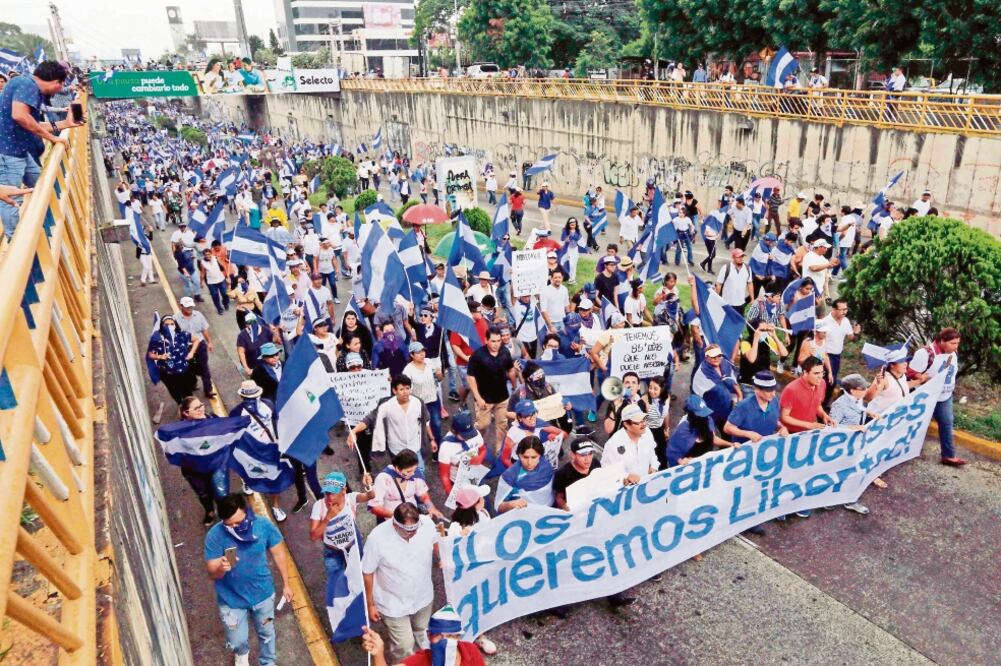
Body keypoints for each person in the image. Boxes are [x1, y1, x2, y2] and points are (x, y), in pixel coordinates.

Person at [204, 493, 293, 666]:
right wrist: (221, 568)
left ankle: (268, 662)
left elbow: (278, 553)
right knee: (236, 640)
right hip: (231, 601)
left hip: (263, 596)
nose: (235, 527)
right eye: (230, 525)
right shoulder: (215, 536)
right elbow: (212, 573)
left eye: (238, 522)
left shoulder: (264, 526)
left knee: (267, 633)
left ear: (246, 511)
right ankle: (241, 653)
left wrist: (287, 584)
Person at [1, 61, 81, 238]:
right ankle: (17, 243)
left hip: (20, 152)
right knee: (12, 199)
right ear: (57, 83)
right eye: (61, 86)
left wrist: (64, 124)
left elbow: (33, 123)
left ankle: (48, 233)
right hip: (8, 155)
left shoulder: (25, 85)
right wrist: (53, 138)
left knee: (42, 187)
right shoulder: (27, 84)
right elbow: (20, 116)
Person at [362, 502, 439, 663]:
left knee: (422, 632)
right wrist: (370, 604)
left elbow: (436, 542)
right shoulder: (376, 539)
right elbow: (367, 572)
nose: (412, 533)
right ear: (394, 524)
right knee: (404, 645)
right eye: (407, 530)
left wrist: (444, 558)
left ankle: (421, 660)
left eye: (415, 529)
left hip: (423, 595)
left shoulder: (427, 525)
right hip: (392, 602)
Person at [164, 396, 231, 526]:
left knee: (221, 493)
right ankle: (210, 511)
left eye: (201, 405)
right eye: (197, 408)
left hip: (216, 465)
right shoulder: (179, 431)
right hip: (194, 470)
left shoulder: (212, 418)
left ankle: (224, 514)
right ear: (186, 413)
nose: (201, 409)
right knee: (204, 494)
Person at [909, 328, 965, 466]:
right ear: (941, 341)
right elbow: (911, 372)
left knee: (946, 422)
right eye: (953, 343)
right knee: (916, 423)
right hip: (925, 395)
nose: (956, 346)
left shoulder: (952, 352)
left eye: (957, 343)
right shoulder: (925, 354)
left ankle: (948, 456)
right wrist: (922, 377)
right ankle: (906, 449)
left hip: (944, 396)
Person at [828, 374, 883, 515]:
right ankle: (829, 500)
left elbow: (860, 410)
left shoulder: (858, 401)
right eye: (862, 387)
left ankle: (849, 500)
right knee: (837, 472)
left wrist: (870, 413)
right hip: (841, 445)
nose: (866, 389)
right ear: (852, 390)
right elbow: (831, 427)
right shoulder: (840, 404)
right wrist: (852, 428)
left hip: (855, 444)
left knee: (854, 471)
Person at [360, 607, 488, 666]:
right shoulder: (421, 660)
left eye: (449, 636)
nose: (443, 641)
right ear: (428, 636)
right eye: (438, 635)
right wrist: (378, 654)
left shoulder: (470, 651)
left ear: (458, 638)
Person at [466, 326, 516, 452]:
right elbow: (470, 377)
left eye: (499, 341)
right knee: (483, 424)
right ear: (486, 340)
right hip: (484, 399)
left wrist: (515, 386)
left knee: (503, 426)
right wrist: (478, 398)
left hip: (502, 397)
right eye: (493, 341)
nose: (496, 344)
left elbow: (510, 369)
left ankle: (500, 453)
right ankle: (474, 445)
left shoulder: (505, 352)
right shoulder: (477, 356)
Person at [666, 395, 729, 467]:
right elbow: (671, 452)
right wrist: (680, 461)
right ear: (691, 415)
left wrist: (730, 444)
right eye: (701, 415)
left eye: (705, 413)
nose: (704, 417)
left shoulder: (708, 419)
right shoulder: (682, 430)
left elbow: (713, 438)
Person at [146, 313, 197, 404]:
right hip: (168, 374)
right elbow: (150, 354)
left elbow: (196, 340)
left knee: (187, 393)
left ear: (175, 325)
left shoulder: (183, 335)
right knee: (175, 392)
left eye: (172, 324)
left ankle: (189, 407)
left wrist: (192, 352)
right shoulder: (157, 339)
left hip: (183, 371)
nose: (169, 326)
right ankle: (179, 404)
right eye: (166, 324)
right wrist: (160, 356)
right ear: (162, 326)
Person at [495, 437, 555, 512]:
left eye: (534, 457)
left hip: (547, 510)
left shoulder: (547, 466)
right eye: (525, 457)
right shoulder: (509, 476)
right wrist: (511, 504)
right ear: (519, 455)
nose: (529, 462)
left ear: (540, 455)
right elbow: (498, 507)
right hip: (525, 514)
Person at [602, 404, 659, 483]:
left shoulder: (647, 433)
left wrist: (654, 466)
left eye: (644, 419)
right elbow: (607, 471)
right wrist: (626, 476)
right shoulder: (612, 445)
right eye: (638, 422)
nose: (644, 424)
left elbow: (652, 452)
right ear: (626, 424)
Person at [436, 411, 488, 494]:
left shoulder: (476, 434)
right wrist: (451, 494)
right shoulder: (446, 446)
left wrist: (479, 458)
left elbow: (483, 450)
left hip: (475, 475)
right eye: (464, 435)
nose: (468, 437)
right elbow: (444, 475)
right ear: (454, 431)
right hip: (458, 481)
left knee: (483, 501)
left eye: (470, 434)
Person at [175, 296, 216, 398]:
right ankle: (193, 384)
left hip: (200, 345)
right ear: (181, 306)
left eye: (191, 307)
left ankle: (208, 390)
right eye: (187, 307)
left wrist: (209, 342)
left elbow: (204, 330)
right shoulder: (175, 319)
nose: (190, 309)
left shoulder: (198, 315)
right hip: (186, 347)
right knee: (188, 368)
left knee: (204, 368)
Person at [553, 436, 600, 510]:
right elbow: (559, 497)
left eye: (590, 453)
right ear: (572, 455)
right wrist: (564, 506)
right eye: (583, 454)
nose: (587, 459)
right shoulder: (562, 474)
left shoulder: (595, 463)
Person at [821, 299, 861, 386]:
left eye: (845, 309)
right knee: (827, 381)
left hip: (837, 356)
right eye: (841, 310)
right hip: (825, 355)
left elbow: (852, 338)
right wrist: (823, 357)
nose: (844, 312)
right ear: (834, 309)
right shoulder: (824, 322)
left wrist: (856, 333)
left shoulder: (845, 321)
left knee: (832, 381)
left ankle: (824, 399)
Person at [715, 249, 753, 313]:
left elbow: (749, 283)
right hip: (727, 303)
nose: (741, 258)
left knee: (739, 322)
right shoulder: (725, 268)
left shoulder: (747, 268)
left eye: (742, 256)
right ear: (733, 257)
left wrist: (752, 298)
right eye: (739, 257)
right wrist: (717, 299)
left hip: (741, 303)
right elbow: (718, 284)